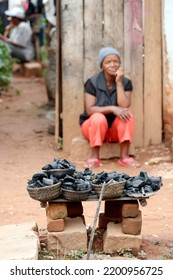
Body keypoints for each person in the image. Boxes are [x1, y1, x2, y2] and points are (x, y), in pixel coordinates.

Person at [79, 46, 140, 168]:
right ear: (102, 65)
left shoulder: (126, 82)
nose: (113, 64)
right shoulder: (92, 82)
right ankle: (94, 157)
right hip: (92, 127)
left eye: (116, 61)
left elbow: (124, 105)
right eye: (108, 62)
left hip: (114, 132)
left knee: (127, 114)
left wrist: (119, 82)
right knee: (98, 117)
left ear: (120, 64)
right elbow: (90, 109)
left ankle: (124, 157)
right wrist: (112, 108)